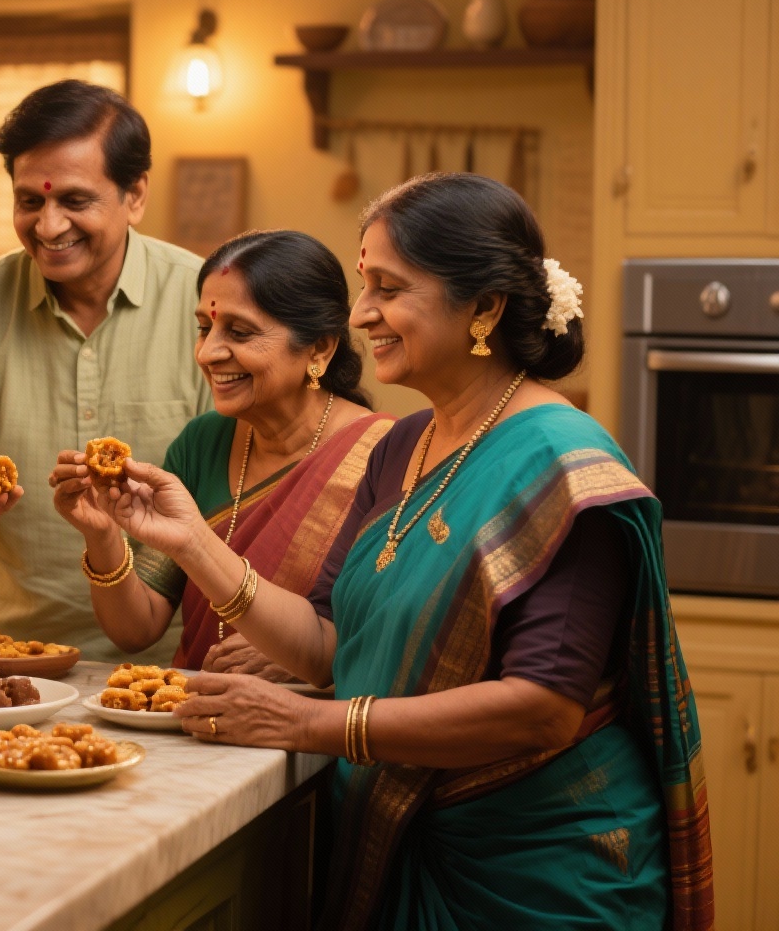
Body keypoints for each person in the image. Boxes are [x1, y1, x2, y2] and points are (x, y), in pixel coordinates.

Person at [89, 173, 713, 929]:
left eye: (388, 287)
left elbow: (544, 710)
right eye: (362, 285)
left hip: (540, 870)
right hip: (417, 838)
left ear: (484, 307)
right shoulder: (405, 448)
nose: (361, 315)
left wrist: (312, 725)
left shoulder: (562, 467)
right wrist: (189, 541)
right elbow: (327, 645)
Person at [0, 79, 211, 662]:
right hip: (9, 662)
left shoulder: (204, 302)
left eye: (75, 200)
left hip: (175, 666)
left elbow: (238, 496)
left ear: (135, 194)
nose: (48, 226)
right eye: (30, 201)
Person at [49, 230, 392, 670]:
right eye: (204, 328)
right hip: (196, 712)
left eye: (240, 332)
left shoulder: (384, 454)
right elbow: (136, 631)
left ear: (319, 347)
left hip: (310, 721)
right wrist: (102, 536)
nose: (208, 353)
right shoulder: (203, 442)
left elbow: (385, 638)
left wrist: (305, 656)